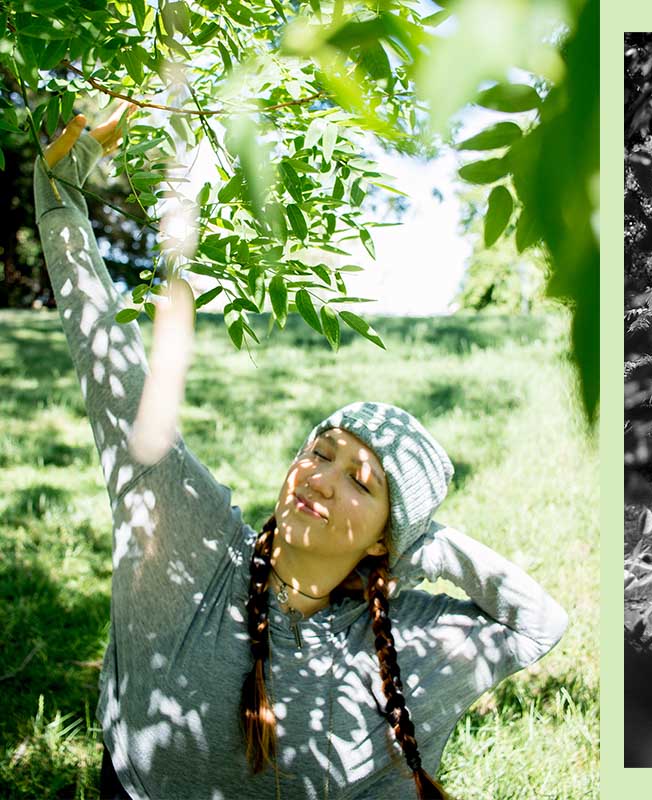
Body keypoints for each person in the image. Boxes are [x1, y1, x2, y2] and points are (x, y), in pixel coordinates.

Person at [35, 108, 568, 800]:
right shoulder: (197, 549)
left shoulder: (404, 646)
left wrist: (422, 545)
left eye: (361, 481)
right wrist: (59, 199)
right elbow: (113, 376)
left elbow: (540, 623)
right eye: (321, 451)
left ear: (385, 538)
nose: (321, 476)